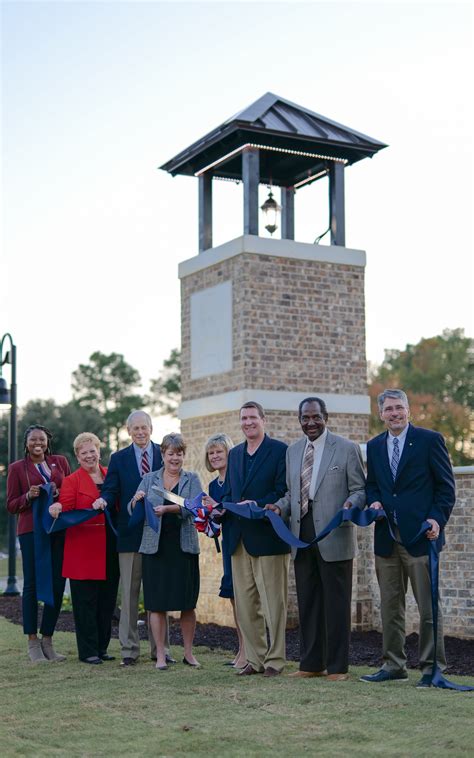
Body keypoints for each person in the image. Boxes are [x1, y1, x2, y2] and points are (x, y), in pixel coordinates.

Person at [360, 389, 456, 688]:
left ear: (408, 410)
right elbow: (373, 485)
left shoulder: (430, 440)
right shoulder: (374, 446)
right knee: (390, 606)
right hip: (387, 539)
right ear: (381, 414)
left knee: (428, 608)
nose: (394, 413)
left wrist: (436, 519)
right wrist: (374, 502)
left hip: (421, 537)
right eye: (388, 409)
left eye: (399, 408)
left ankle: (431, 668)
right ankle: (394, 664)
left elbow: (446, 488)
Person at [267, 397, 366, 681]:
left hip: (334, 534)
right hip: (301, 536)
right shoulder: (293, 451)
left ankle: (337, 668)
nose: (310, 423)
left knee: (336, 604)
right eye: (305, 418)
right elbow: (290, 493)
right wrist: (279, 507)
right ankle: (311, 664)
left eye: (315, 417)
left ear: (326, 417)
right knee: (308, 603)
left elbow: (360, 489)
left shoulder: (346, 449)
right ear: (299, 420)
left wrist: (350, 505)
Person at [93, 410, 172, 667]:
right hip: (128, 534)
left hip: (159, 532)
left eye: (144, 427)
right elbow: (112, 488)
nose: (140, 432)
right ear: (129, 431)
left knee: (158, 593)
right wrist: (104, 499)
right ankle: (129, 650)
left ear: (151, 428)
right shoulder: (119, 458)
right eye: (135, 428)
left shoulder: (165, 452)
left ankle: (161, 650)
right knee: (129, 594)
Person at [220, 402, 289, 678]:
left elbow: (283, 490)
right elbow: (231, 493)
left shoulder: (280, 451)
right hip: (238, 539)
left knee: (274, 603)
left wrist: (257, 504)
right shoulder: (234, 454)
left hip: (269, 536)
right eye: (243, 418)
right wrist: (217, 508)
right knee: (246, 605)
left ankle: (275, 660)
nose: (248, 422)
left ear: (263, 419)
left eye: (252, 418)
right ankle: (254, 658)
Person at [129, 433, 203, 670]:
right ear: (162, 455)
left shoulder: (192, 478)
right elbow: (133, 511)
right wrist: (136, 500)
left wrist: (170, 508)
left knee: (187, 604)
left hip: (184, 548)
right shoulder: (149, 479)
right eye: (170, 453)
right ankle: (160, 655)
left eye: (179, 453)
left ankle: (189, 654)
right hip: (155, 549)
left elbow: (196, 509)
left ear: (184, 455)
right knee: (156, 604)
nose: (175, 458)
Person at [51, 433, 119, 664]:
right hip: (83, 549)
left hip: (110, 546)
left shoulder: (111, 474)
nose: (89, 456)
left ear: (99, 451)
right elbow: (67, 507)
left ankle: (102, 648)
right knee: (85, 602)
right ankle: (88, 651)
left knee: (107, 601)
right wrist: (58, 505)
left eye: (92, 451)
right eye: (84, 453)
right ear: (77, 457)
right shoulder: (71, 480)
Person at [7, 424, 70, 663]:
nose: (38, 444)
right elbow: (11, 504)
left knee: (57, 583)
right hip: (31, 532)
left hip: (56, 528)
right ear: (26, 443)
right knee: (32, 585)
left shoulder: (61, 462)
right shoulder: (17, 469)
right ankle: (32, 642)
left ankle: (48, 640)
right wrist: (28, 496)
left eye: (41, 440)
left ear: (47, 441)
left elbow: (69, 491)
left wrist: (57, 492)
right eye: (33, 440)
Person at [202, 433, 246, 669]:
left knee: (245, 596)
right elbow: (216, 517)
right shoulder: (212, 486)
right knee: (232, 596)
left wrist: (220, 508)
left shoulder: (238, 478)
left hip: (243, 540)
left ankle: (249, 649)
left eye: (219, 451)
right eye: (211, 453)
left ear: (229, 452)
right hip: (227, 541)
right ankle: (241, 648)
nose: (215, 456)